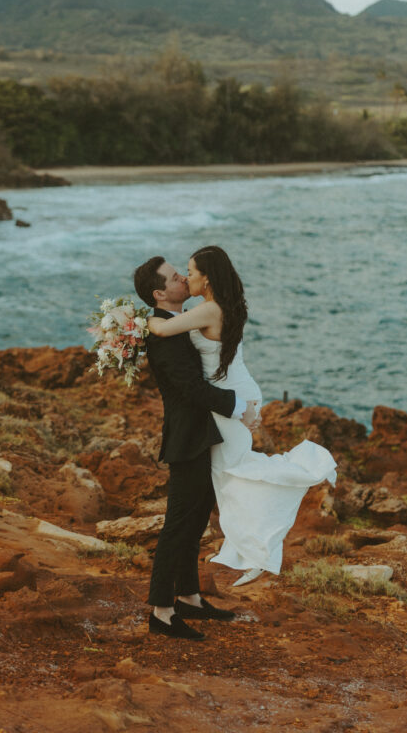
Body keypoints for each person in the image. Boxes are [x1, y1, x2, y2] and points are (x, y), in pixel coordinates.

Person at [147, 245, 337, 587]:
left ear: (206, 279)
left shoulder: (208, 311)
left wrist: (131, 321)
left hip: (233, 396)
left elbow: (161, 329)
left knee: (233, 473)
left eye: (190, 273)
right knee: (230, 476)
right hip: (236, 390)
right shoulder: (217, 307)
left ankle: (259, 550)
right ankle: (251, 549)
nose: (186, 278)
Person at [133, 255, 258, 641]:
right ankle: (161, 611)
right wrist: (237, 407)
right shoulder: (163, 333)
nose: (183, 280)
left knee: (196, 521)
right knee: (178, 525)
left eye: (183, 273)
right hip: (188, 437)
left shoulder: (179, 322)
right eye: (175, 277)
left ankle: (188, 597)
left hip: (205, 433)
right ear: (160, 293)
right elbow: (191, 389)